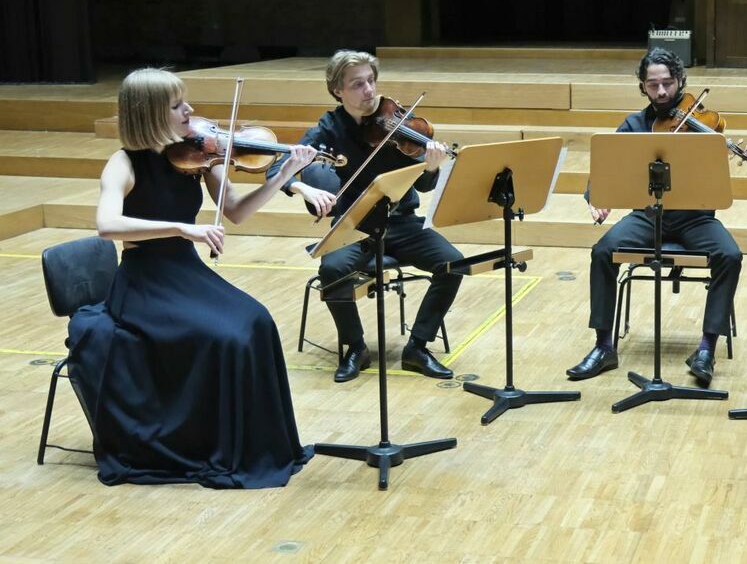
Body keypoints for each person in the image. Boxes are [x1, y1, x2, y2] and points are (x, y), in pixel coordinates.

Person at [67, 68, 317, 488]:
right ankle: (212, 445)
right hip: (146, 281)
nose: (191, 110)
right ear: (149, 113)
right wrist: (183, 228)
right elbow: (107, 225)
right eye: (178, 105)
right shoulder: (123, 164)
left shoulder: (197, 156)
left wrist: (285, 175)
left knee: (256, 321)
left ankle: (258, 446)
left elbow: (235, 210)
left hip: (185, 271)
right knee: (226, 337)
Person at [268, 50, 463, 383]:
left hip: (401, 222)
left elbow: (427, 184)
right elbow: (277, 168)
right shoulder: (328, 129)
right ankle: (355, 347)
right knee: (332, 269)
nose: (369, 91)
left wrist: (432, 165)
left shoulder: (400, 123)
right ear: (337, 91)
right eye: (357, 84)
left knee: (452, 263)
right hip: (353, 225)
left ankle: (418, 346)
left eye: (372, 81)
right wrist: (304, 190)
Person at [565, 47, 743, 387]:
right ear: (643, 88)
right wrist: (596, 198)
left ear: (679, 81)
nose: (661, 92)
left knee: (730, 255)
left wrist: (716, 151)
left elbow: (716, 181)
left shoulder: (702, 124)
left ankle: (706, 349)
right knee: (603, 251)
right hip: (648, 217)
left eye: (667, 83)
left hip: (695, 218)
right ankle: (604, 347)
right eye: (652, 85)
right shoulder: (634, 125)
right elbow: (605, 168)